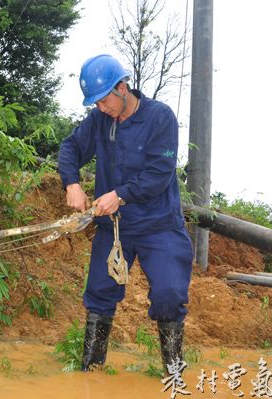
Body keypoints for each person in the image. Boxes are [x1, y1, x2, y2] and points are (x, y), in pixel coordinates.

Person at [58, 54, 194, 372]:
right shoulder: (100, 121)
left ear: (122, 88)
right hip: (114, 228)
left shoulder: (159, 117)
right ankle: (91, 371)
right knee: (99, 293)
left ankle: (174, 374)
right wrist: (72, 184)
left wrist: (120, 195)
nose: (101, 108)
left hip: (158, 224)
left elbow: (160, 173)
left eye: (104, 100)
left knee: (169, 294)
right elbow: (70, 148)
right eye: (95, 104)